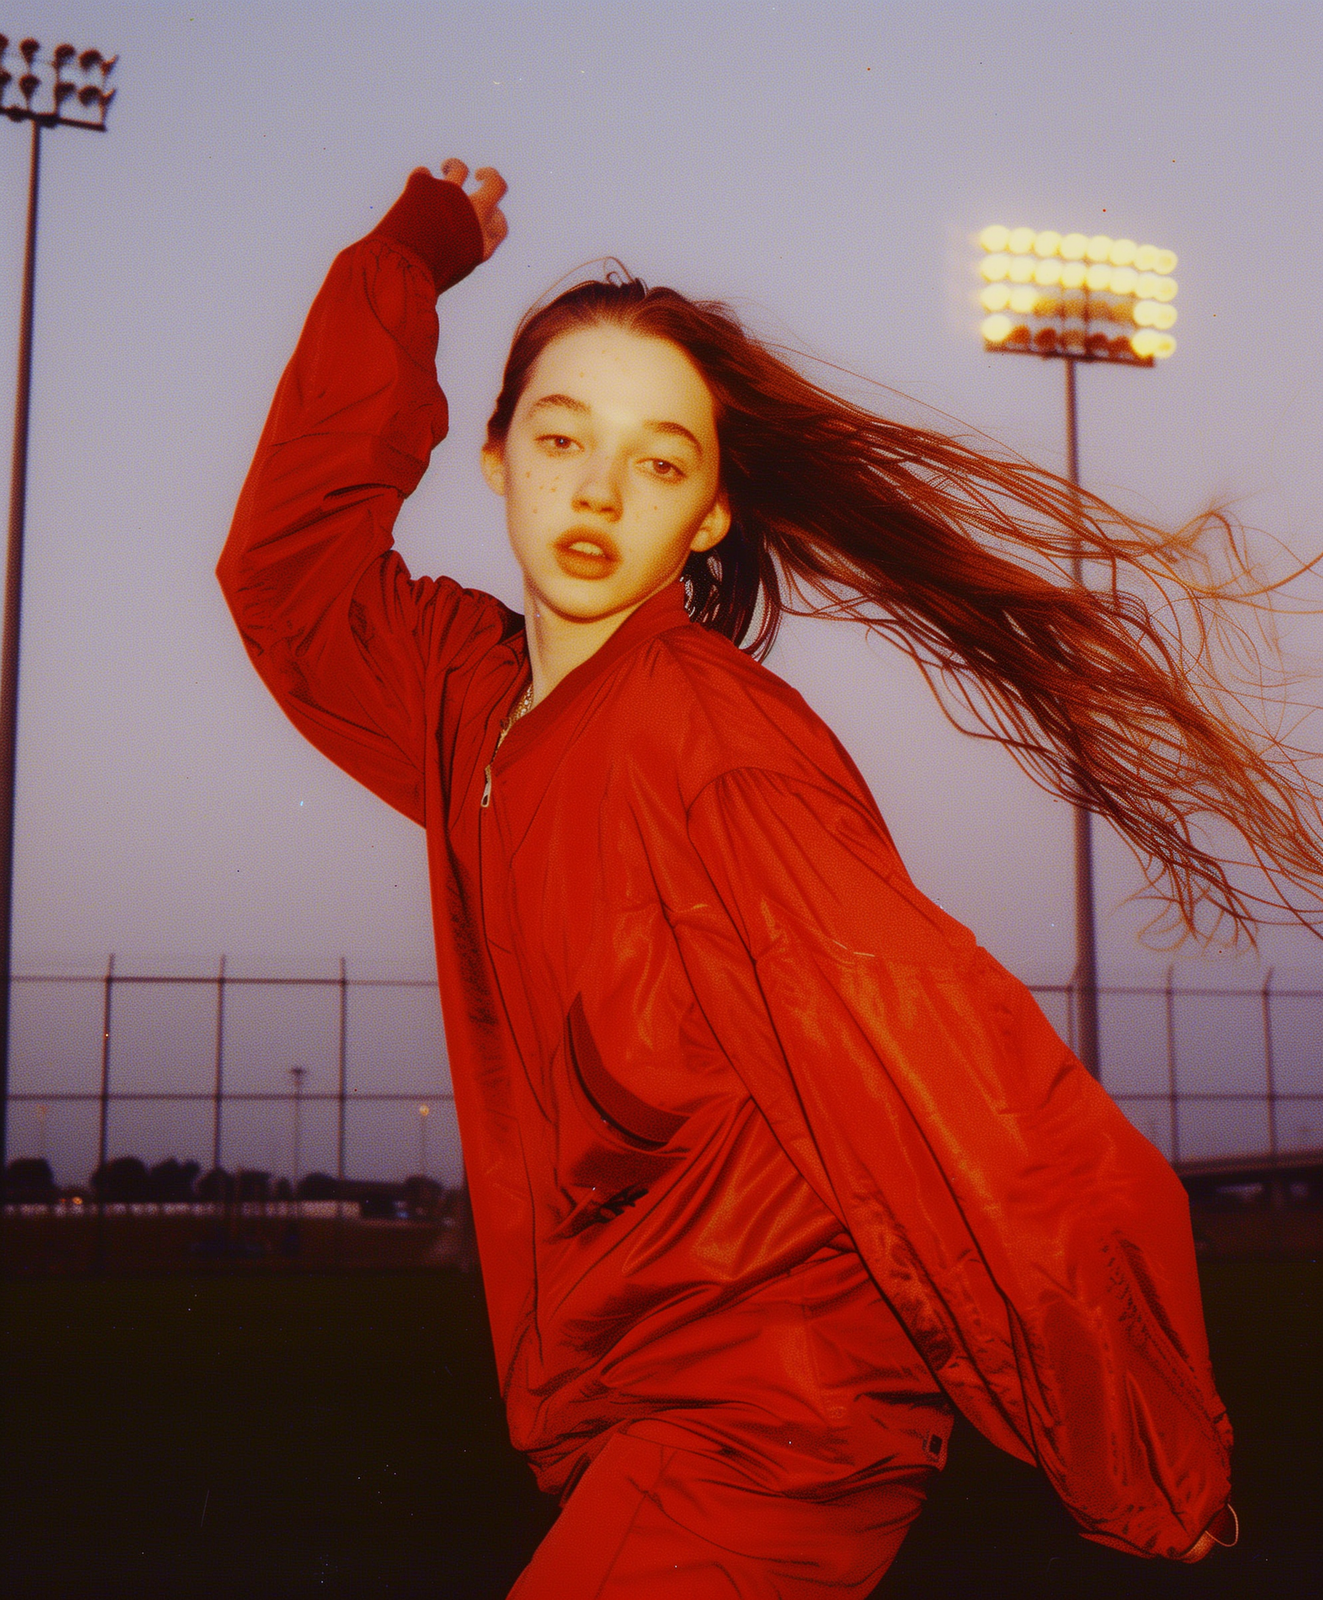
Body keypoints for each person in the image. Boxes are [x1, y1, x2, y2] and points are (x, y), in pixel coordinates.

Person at [217, 159, 1303, 1594]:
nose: (598, 489)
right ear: (491, 460)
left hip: (777, 1416)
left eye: (659, 462)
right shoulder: (468, 708)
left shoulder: (706, 733)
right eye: (560, 439)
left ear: (710, 515)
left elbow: (947, 1062)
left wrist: (1151, 1462)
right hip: (637, 1413)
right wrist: (403, 264)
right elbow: (290, 576)